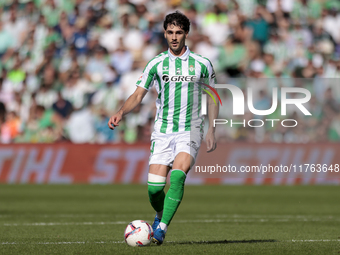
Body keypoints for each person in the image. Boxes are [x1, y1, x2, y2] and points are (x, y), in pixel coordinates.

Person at [108, 11, 218, 245]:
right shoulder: (156, 63)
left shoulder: (202, 64)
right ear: (165, 33)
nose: (175, 37)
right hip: (163, 131)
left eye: (179, 32)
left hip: (191, 129)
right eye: (170, 32)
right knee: (154, 190)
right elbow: (138, 94)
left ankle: (161, 229)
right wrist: (120, 111)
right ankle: (159, 216)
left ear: (186, 33)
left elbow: (212, 98)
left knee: (177, 177)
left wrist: (212, 129)